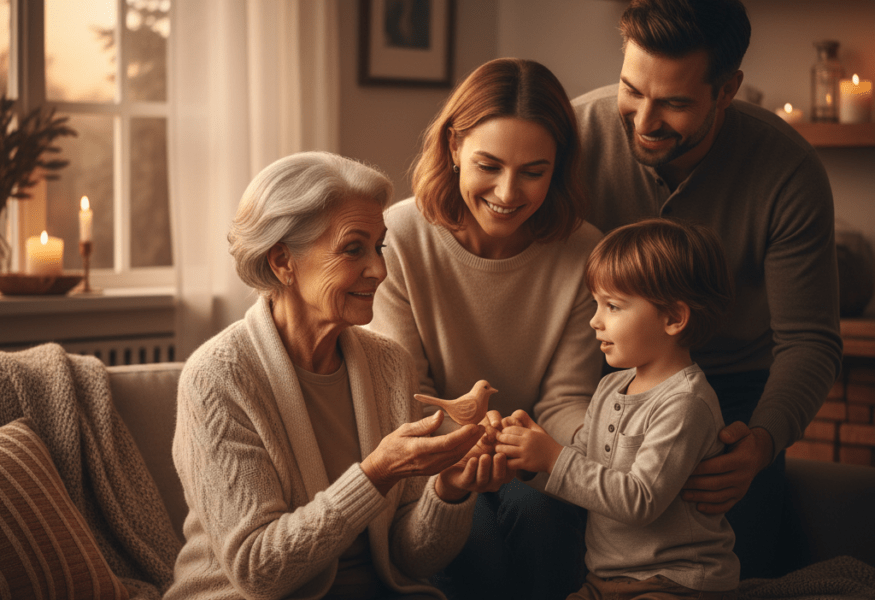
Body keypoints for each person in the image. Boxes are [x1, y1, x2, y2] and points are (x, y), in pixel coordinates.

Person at [571, 0, 843, 578]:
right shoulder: (570, 139)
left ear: (727, 90)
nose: (644, 121)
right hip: (600, 381)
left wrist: (761, 445)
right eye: (631, 90)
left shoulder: (788, 170)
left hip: (734, 404)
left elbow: (809, 342)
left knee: (733, 570)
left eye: (673, 102)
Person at [165, 152, 504, 600]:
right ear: (282, 261)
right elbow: (259, 571)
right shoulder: (217, 379)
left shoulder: (389, 365)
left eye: (379, 246)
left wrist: (450, 490)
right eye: (352, 248)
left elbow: (410, 560)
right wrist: (375, 475)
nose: (379, 270)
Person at [369, 58, 603, 600]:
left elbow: (566, 398)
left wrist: (596, 456)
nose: (507, 191)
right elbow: (408, 393)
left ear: (559, 166)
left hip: (533, 459)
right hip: (434, 460)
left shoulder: (583, 250)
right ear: (454, 148)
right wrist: (470, 449)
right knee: (475, 541)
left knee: (540, 516)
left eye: (533, 171)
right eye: (489, 165)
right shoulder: (400, 237)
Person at [497, 218, 739, 600]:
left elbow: (639, 500)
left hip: (677, 582)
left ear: (673, 318)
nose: (595, 320)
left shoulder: (685, 403)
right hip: (603, 582)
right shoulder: (611, 387)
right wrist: (533, 460)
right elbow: (587, 478)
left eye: (612, 306)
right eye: (596, 304)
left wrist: (554, 458)